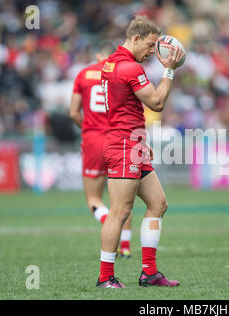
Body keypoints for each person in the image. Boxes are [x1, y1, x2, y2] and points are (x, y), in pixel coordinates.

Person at [96, 15, 184, 288]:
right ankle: (105, 278)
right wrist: (169, 70)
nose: (152, 52)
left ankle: (149, 273)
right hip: (123, 145)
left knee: (158, 203)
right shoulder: (130, 69)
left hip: (130, 143)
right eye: (149, 45)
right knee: (120, 212)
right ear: (135, 38)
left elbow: (124, 107)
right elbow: (156, 102)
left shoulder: (110, 63)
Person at [69, 41, 133, 259]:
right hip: (119, 138)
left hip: (93, 140)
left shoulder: (84, 74)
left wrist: (88, 128)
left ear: (98, 54)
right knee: (123, 199)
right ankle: (125, 246)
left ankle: (109, 223)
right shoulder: (122, 74)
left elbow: (73, 113)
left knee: (94, 199)